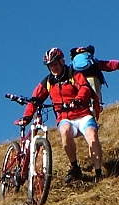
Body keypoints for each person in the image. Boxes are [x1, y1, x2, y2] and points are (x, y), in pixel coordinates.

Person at [19, 47, 104, 182]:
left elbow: (85, 88)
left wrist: (78, 100)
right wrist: (27, 117)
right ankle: (75, 167)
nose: (54, 68)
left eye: (56, 64)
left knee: (92, 136)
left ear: (62, 62)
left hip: (83, 114)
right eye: (51, 66)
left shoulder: (74, 74)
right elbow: (35, 99)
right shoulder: (48, 82)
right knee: (65, 132)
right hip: (65, 117)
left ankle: (99, 173)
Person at [69, 46, 119, 118]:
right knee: (95, 104)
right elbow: (113, 64)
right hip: (93, 80)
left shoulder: (72, 65)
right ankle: (94, 122)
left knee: (82, 105)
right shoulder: (93, 61)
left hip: (79, 83)